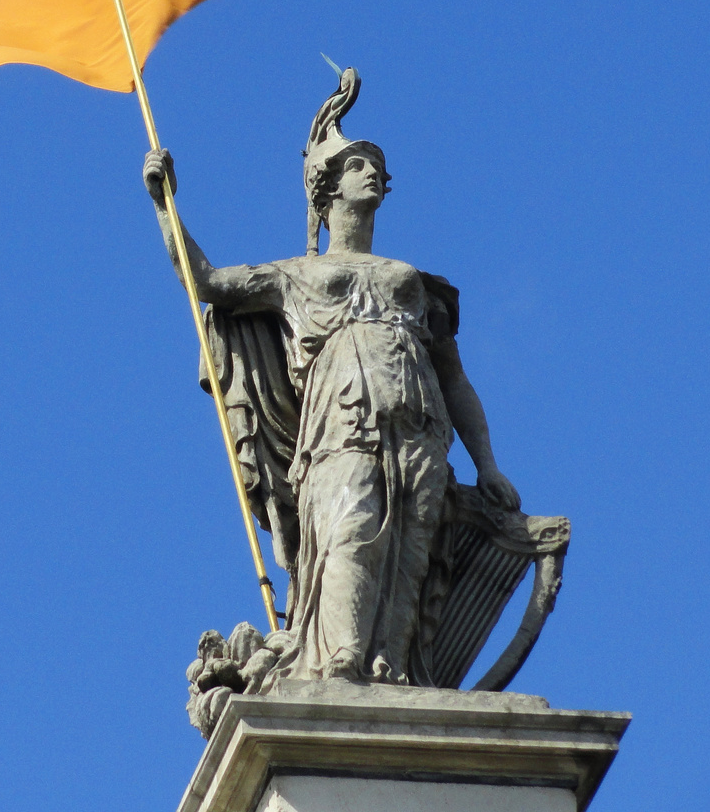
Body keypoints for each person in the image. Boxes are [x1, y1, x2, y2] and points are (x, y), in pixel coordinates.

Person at [143, 67, 520, 686]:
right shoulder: (296, 275)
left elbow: (455, 378)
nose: (372, 171)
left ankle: (392, 667)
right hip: (341, 418)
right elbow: (207, 282)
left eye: (376, 164)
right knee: (350, 528)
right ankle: (339, 656)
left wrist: (487, 464)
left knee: (410, 549)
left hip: (419, 421)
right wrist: (166, 206)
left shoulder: (411, 280)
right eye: (357, 164)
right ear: (327, 187)